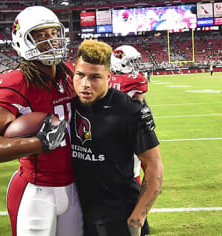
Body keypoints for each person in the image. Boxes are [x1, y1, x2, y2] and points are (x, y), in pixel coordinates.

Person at [0, 6, 83, 236]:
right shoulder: (16, 82)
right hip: (36, 191)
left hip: (75, 186)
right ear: (23, 41)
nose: (51, 41)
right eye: (41, 35)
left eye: (54, 33)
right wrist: (38, 144)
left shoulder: (70, 73)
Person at [70, 40, 164, 236]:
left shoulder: (130, 110)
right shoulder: (69, 103)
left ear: (108, 76)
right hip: (77, 212)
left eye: (95, 77)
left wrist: (137, 218)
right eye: (80, 75)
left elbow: (155, 167)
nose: (85, 84)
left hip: (118, 214)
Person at [110, 45, 149, 185]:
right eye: (132, 62)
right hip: (127, 133)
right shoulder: (136, 80)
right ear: (122, 62)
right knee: (135, 169)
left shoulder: (106, 79)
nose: (135, 65)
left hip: (107, 130)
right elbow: (141, 99)